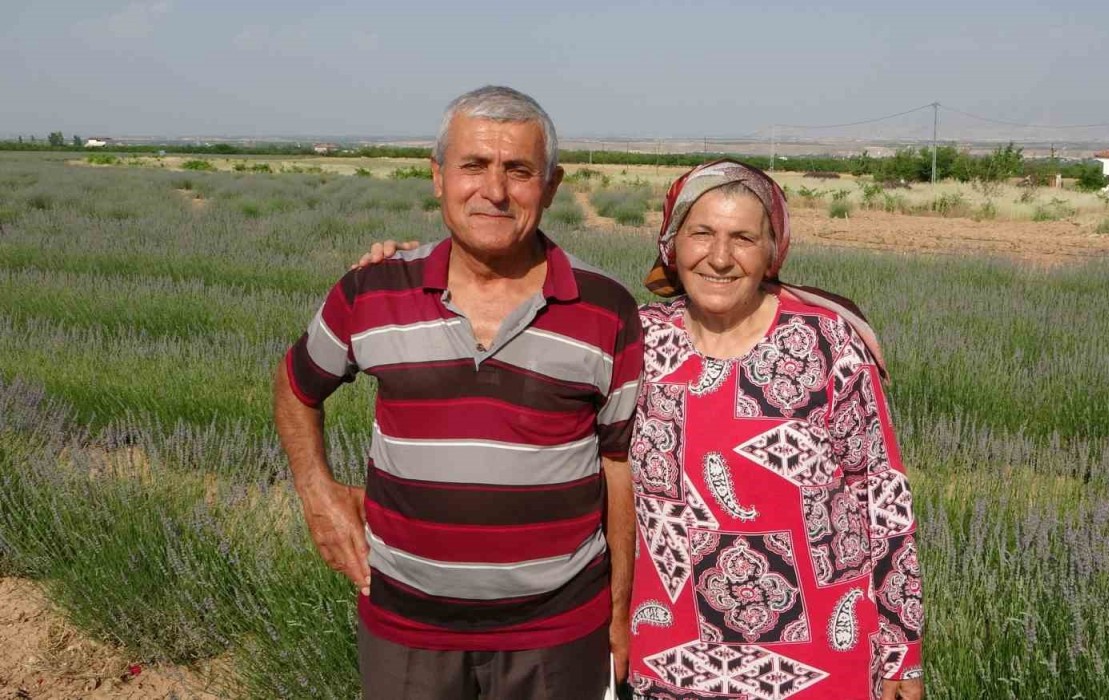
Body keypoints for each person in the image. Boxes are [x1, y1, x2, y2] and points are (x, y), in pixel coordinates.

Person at [358, 159, 925, 700]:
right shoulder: (635, 336)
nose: (720, 258)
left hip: (819, 655)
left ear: (773, 250)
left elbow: (883, 498)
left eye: (744, 239)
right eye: (701, 234)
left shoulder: (829, 344)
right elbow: (509, 325)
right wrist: (406, 269)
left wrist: (904, 649)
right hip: (670, 650)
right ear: (671, 245)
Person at [274, 85, 643, 700]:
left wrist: (620, 614)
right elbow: (295, 388)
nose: (494, 191)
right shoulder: (371, 291)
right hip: (407, 629)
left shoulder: (605, 308)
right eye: (473, 166)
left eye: (518, 171)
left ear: (551, 187)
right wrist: (317, 492)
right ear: (438, 177)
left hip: (557, 633)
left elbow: (619, 467)